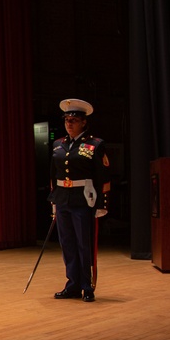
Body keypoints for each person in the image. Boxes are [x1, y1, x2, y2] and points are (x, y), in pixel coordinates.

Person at [47, 99, 110, 302]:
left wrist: (102, 204)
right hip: (63, 200)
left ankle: (87, 286)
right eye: (67, 120)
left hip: (84, 201)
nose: (69, 123)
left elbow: (103, 176)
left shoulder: (95, 144)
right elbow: (53, 175)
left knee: (84, 244)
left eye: (74, 120)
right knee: (67, 244)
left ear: (83, 122)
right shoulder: (58, 145)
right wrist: (54, 201)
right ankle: (72, 285)